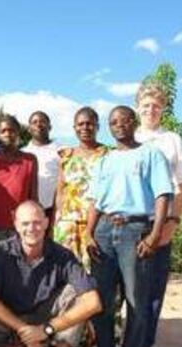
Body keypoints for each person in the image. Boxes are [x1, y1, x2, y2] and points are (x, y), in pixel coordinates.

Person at [84, 106, 173, 347]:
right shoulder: (104, 159)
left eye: (124, 120)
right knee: (102, 298)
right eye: (113, 122)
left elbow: (162, 195)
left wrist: (155, 234)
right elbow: (96, 201)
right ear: (109, 127)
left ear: (133, 122)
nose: (119, 125)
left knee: (136, 300)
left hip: (135, 231)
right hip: (103, 232)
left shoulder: (151, 154)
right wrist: (89, 232)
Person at [0, 200, 102, 347]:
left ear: (47, 223)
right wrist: (25, 332)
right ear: (16, 225)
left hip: (44, 317)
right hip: (12, 317)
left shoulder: (62, 255)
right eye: (25, 223)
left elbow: (93, 303)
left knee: (76, 294)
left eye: (37, 223)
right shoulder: (1, 252)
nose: (31, 229)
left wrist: (46, 329)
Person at [134, 82, 182, 347]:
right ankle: (123, 339)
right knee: (128, 286)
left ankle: (142, 345)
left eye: (156, 106)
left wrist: (173, 222)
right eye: (145, 105)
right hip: (129, 222)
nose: (150, 110)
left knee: (152, 288)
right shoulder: (127, 134)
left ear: (163, 110)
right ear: (137, 108)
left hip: (160, 222)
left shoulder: (173, 140)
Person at [0, 114, 38, 269]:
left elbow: (33, 196)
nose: (7, 134)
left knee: (17, 278)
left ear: (18, 133)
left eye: (12, 130)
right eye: (3, 131)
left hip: (18, 230)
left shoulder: (30, 160)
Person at [53, 107, 109, 271]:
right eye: (80, 124)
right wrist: (56, 222)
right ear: (74, 128)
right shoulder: (66, 155)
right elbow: (61, 189)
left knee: (97, 273)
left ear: (97, 127)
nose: (85, 127)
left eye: (89, 124)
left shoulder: (107, 154)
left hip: (97, 223)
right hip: (67, 225)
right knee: (66, 272)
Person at [22, 111, 62, 221]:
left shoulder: (62, 151)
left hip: (54, 211)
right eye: (34, 122)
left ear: (50, 127)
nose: (38, 124)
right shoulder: (23, 153)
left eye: (42, 121)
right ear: (29, 128)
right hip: (29, 212)